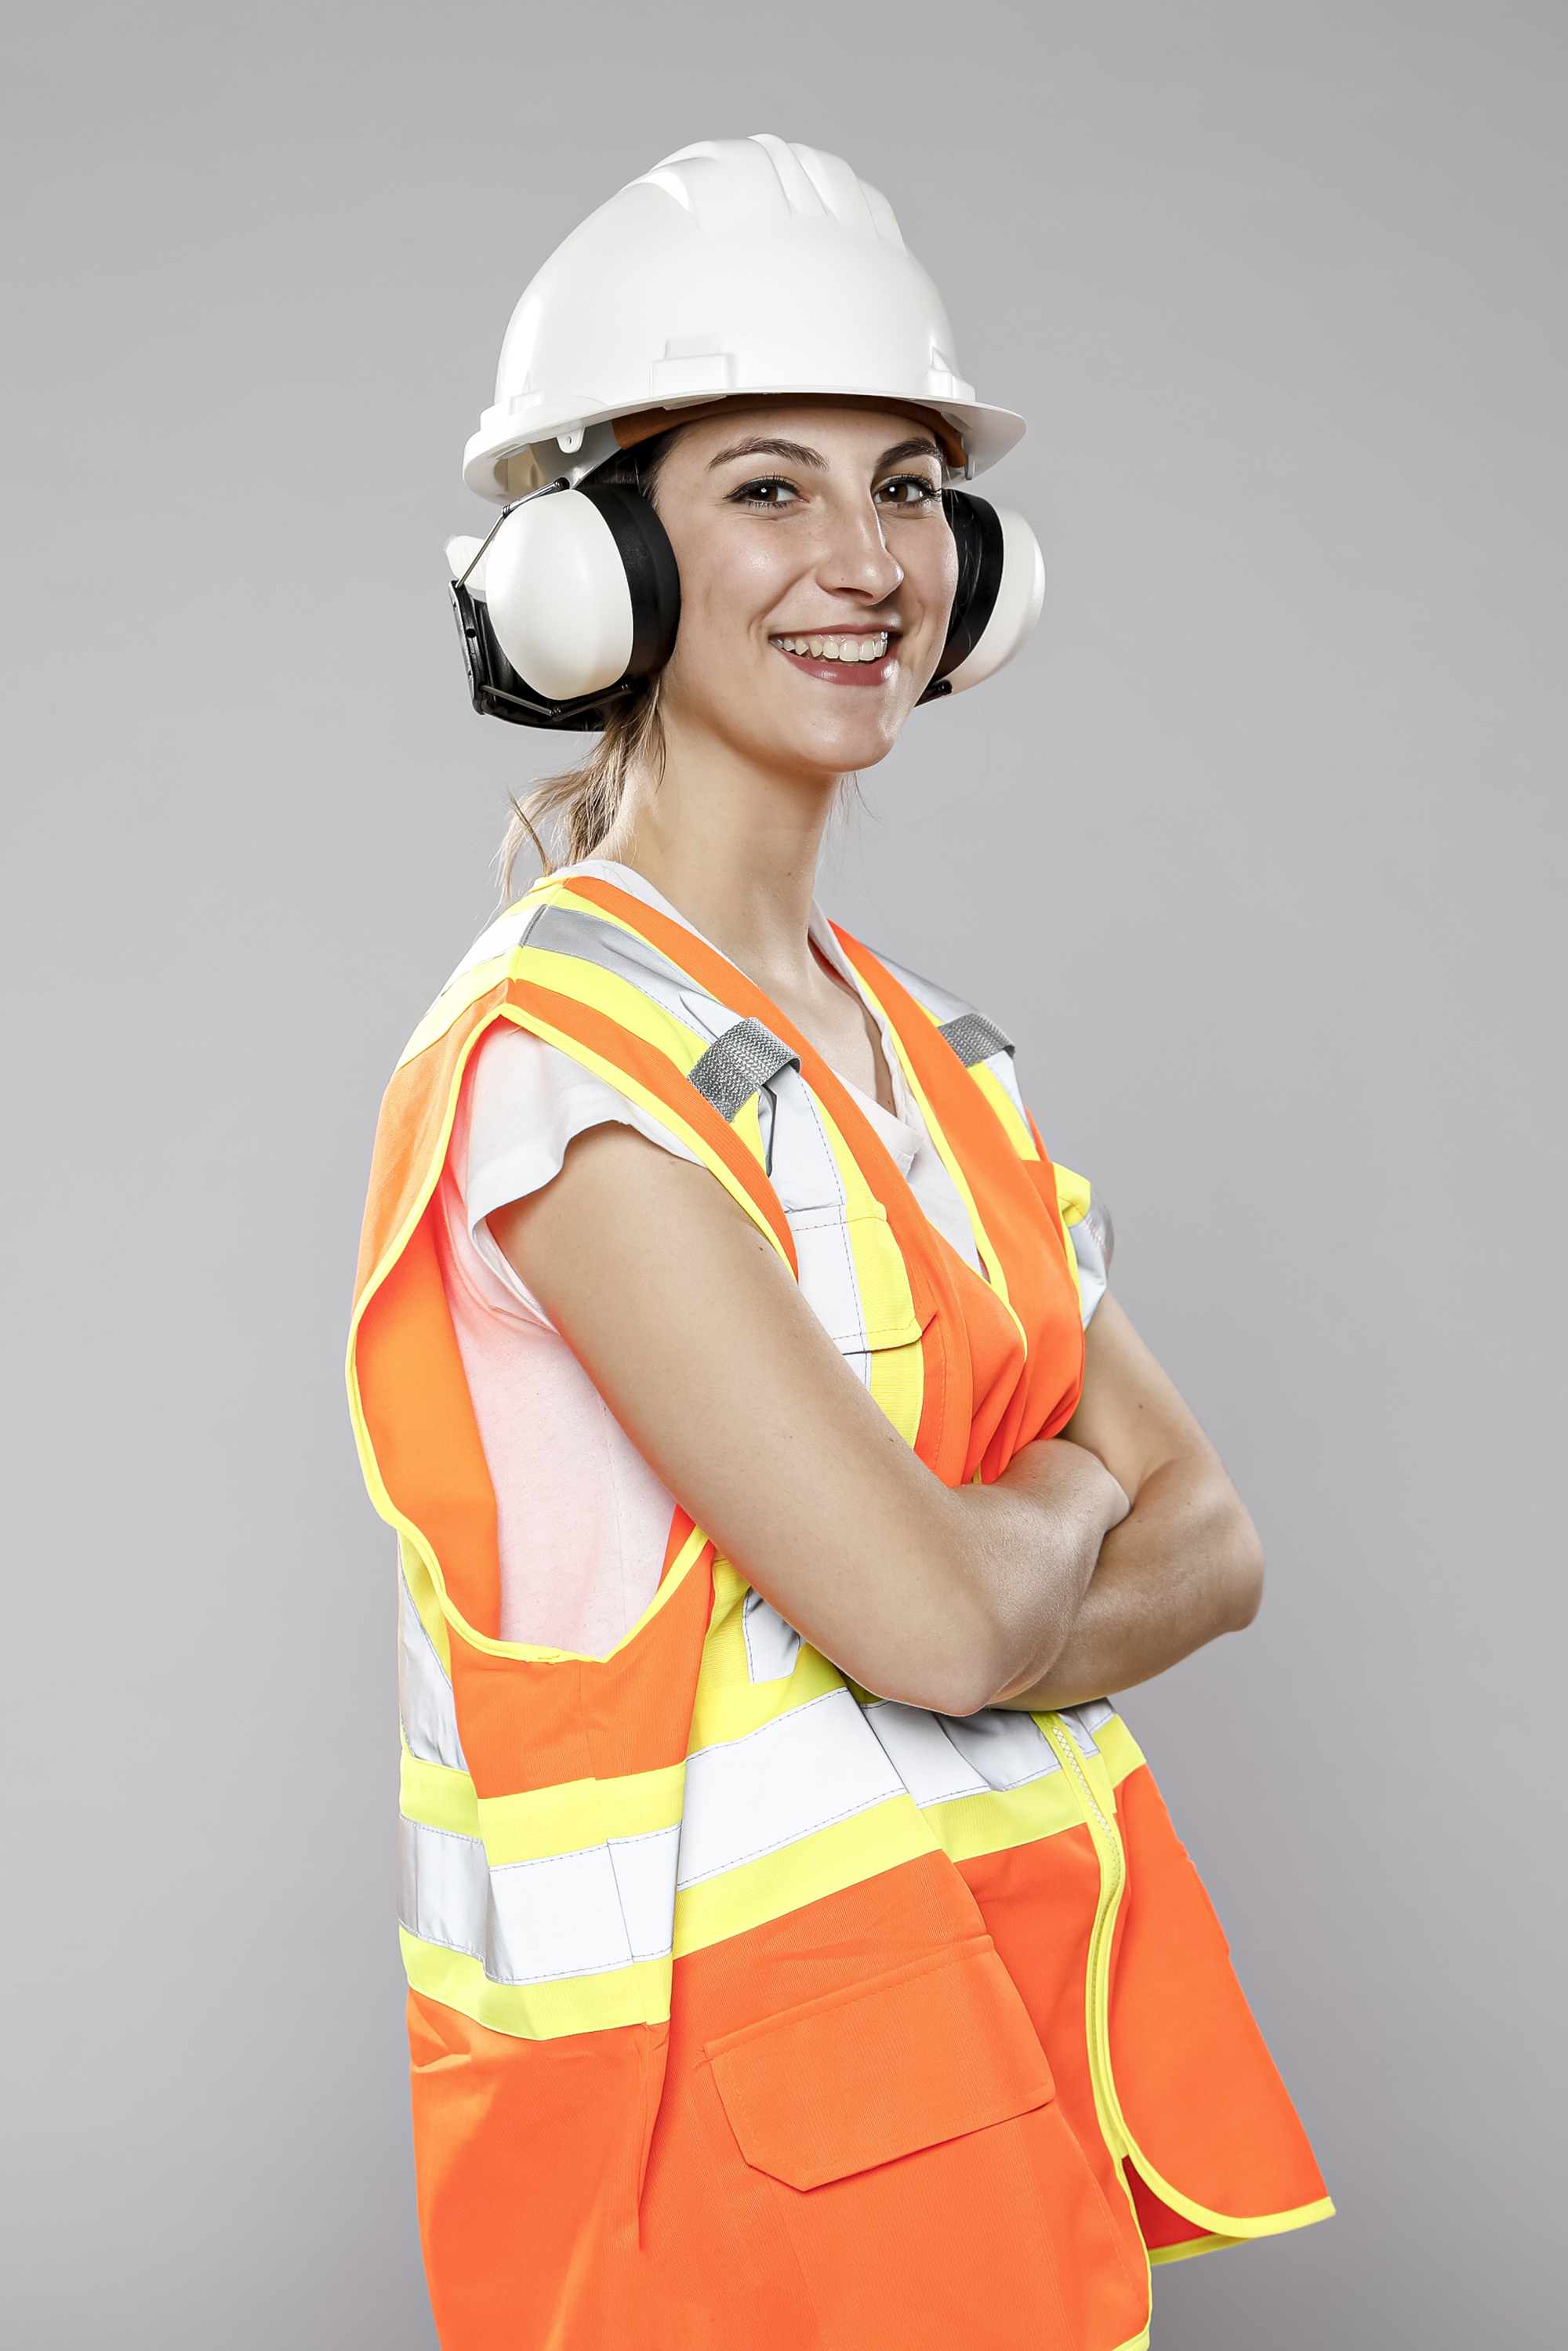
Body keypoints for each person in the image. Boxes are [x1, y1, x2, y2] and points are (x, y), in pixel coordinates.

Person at [349, 136, 1330, 2351]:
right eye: (769, 488)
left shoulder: (926, 1057)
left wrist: (1014, 1558)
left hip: (988, 2093)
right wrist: (1069, 1503)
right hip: (710, 2188)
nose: (866, 556)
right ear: (589, 572)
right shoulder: (557, 1070)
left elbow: (1226, 1549)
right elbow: (938, 1625)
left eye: (906, 483)